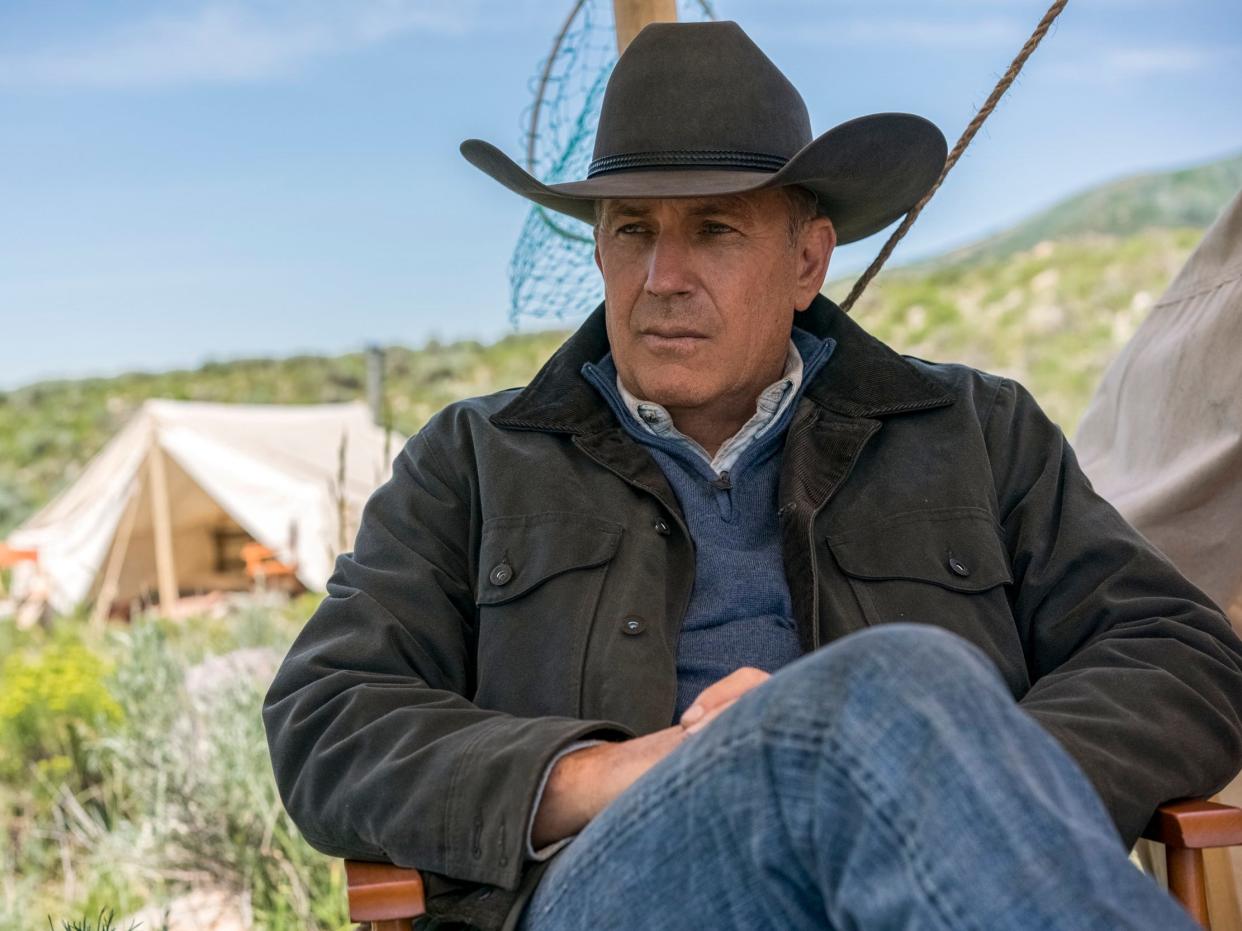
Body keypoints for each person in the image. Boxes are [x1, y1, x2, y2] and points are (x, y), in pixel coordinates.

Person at [262, 21, 1242, 931]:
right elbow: (328, 712)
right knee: (883, 693)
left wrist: (948, 777)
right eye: (632, 229)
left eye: (715, 230)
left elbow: (1181, 652)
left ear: (808, 258)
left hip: (916, 897)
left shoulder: (975, 433)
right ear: (600, 248)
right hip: (614, 888)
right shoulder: (471, 462)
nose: (661, 276)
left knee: (886, 702)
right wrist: (603, 772)